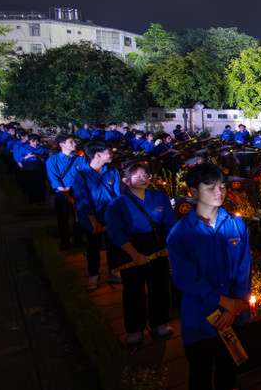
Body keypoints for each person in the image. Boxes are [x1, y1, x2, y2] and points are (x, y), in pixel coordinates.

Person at [167, 163, 252, 390]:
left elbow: (243, 267)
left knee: (228, 366)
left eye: (223, 186)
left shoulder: (235, 226)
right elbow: (186, 279)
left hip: (232, 313)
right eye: (211, 186)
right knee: (201, 369)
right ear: (193, 191)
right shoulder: (181, 233)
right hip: (200, 315)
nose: (220, 192)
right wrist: (224, 302)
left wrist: (236, 303)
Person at [105, 162, 177, 345]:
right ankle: (135, 328)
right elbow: (116, 233)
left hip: (157, 245)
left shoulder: (160, 197)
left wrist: (170, 245)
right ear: (125, 180)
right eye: (137, 176)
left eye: (146, 175)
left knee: (160, 286)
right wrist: (134, 254)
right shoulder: (117, 204)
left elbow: (169, 224)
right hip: (130, 247)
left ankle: (159, 323)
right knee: (133, 290)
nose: (143, 179)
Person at [74, 141, 122, 289]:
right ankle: (93, 275)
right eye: (109, 152)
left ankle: (114, 272)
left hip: (110, 217)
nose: (112, 154)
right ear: (98, 154)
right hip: (90, 218)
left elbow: (117, 195)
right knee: (93, 247)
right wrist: (92, 219)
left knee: (113, 245)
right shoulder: (81, 175)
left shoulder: (112, 171)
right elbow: (82, 200)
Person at [46, 134, 88, 249]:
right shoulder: (52, 160)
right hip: (62, 194)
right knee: (63, 219)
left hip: (78, 194)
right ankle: (65, 241)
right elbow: (53, 178)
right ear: (62, 145)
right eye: (71, 142)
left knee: (78, 217)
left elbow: (85, 176)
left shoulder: (80, 159)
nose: (74, 144)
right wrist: (64, 190)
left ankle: (78, 239)